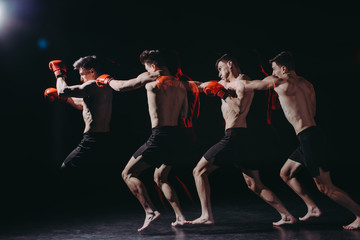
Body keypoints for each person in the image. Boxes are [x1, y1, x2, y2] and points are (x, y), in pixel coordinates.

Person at [247, 51, 360, 230]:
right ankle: (312, 207)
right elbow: (312, 112)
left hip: (308, 138)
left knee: (326, 188)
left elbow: (256, 85)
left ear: (283, 68)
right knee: (286, 173)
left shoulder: (280, 81)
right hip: (312, 134)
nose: (273, 73)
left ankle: (359, 214)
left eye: (275, 69)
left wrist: (234, 83)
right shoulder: (307, 84)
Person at [187, 54, 296, 226]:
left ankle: (207, 216)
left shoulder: (242, 81)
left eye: (221, 69)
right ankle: (287, 216)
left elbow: (238, 107)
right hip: (241, 138)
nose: (219, 74)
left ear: (230, 64)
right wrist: (174, 82)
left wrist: (221, 93)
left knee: (198, 171)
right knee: (255, 185)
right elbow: (200, 86)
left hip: (234, 136)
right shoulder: (224, 84)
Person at [46, 55, 159, 169]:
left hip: (91, 139)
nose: (81, 79)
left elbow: (62, 91)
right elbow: (81, 105)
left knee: (64, 168)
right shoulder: (103, 87)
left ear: (92, 71)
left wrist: (59, 74)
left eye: (82, 74)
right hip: (103, 138)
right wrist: (64, 99)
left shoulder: (92, 85)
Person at [118, 50, 189, 232]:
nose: (146, 71)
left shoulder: (151, 78)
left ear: (153, 66)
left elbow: (124, 86)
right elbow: (184, 114)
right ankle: (180, 217)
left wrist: (107, 81)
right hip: (177, 137)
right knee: (160, 177)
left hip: (159, 136)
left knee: (128, 174)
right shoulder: (180, 85)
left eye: (146, 67)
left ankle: (150, 211)